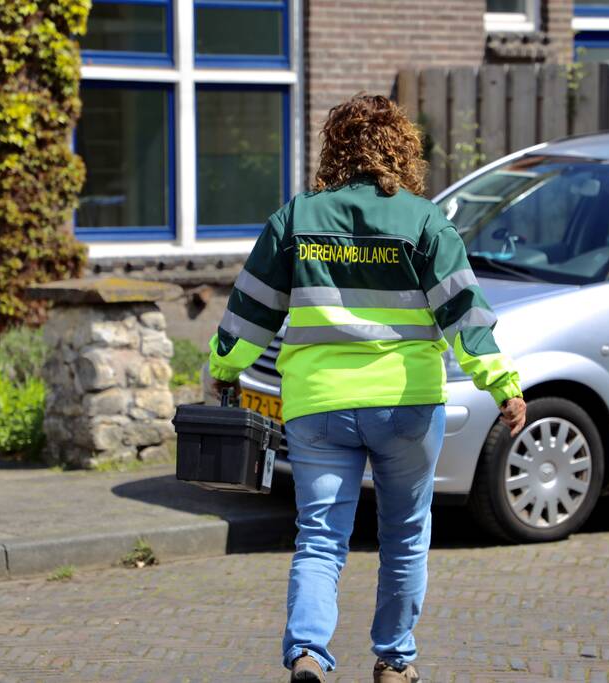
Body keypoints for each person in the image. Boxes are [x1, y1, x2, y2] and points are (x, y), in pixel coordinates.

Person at [207, 94, 526, 683]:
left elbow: (251, 311)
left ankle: (306, 652)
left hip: (319, 405)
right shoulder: (425, 221)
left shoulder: (295, 219)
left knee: (320, 539)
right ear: (401, 148)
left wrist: (224, 369)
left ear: (336, 147)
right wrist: (503, 385)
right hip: (406, 406)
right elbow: (465, 315)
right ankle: (395, 662)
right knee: (404, 537)